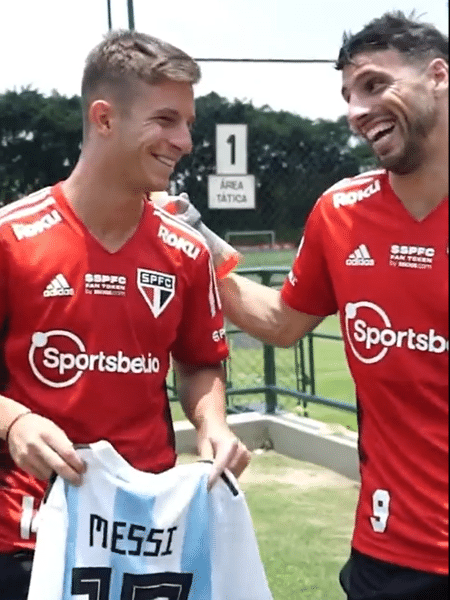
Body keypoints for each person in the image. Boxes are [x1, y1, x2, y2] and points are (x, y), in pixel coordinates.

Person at [176, 11, 448, 600]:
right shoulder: (341, 212)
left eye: (374, 84)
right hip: (390, 547)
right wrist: (195, 240)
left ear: (438, 76)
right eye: (349, 96)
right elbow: (280, 322)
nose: (357, 110)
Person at [0, 30, 250, 599]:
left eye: (188, 122)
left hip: (149, 535)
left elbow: (201, 363)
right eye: (166, 120)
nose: (185, 140)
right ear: (104, 118)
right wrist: (15, 424)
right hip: (28, 536)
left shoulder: (186, 253)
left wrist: (213, 424)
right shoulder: (11, 238)